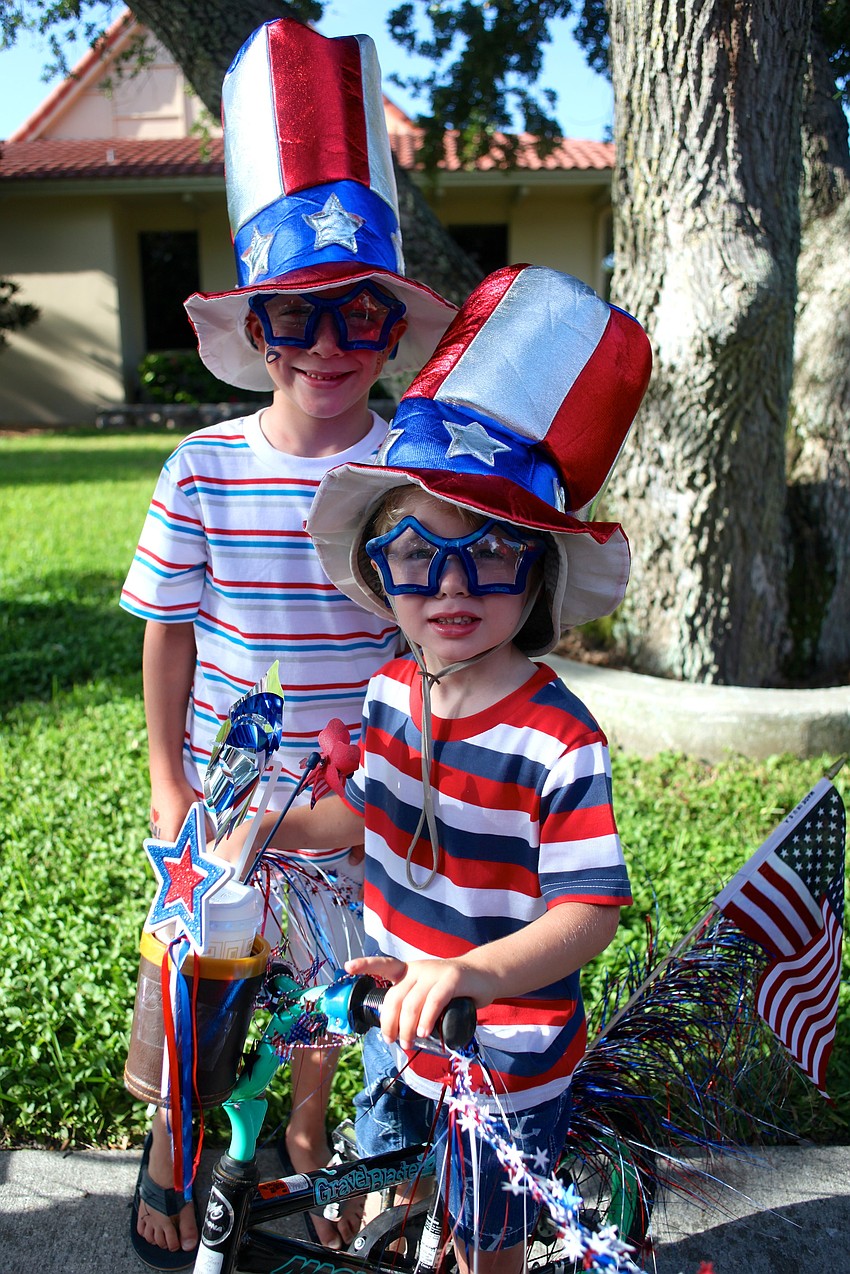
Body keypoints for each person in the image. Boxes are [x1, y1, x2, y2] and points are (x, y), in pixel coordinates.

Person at [120, 18, 456, 1269]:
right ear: (256, 329)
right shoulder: (202, 468)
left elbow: (439, 623)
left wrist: (390, 787)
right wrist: (168, 784)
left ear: (391, 329)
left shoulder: (411, 466)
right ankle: (176, 1145)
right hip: (227, 793)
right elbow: (163, 630)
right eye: (296, 320)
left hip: (364, 781)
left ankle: (315, 1158)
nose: (327, 347)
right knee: (198, 973)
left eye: (360, 318)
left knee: (330, 990)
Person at [253, 264, 653, 1273]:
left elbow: (590, 911)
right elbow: (362, 810)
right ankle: (402, 1215)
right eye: (417, 556)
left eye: (491, 556)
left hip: (501, 1044)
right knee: (393, 1170)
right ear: (379, 572)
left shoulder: (558, 739)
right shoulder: (394, 686)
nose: (450, 587)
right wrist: (276, 829)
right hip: (396, 1005)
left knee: (485, 1240)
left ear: (540, 572)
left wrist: (471, 970)